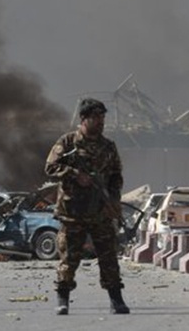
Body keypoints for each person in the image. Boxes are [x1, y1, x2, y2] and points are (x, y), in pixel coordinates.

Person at [45, 98, 129, 315]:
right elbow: (50, 167)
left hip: (100, 211)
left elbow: (116, 176)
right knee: (69, 259)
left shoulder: (108, 147)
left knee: (108, 256)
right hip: (73, 212)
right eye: (96, 117)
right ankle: (63, 299)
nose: (101, 122)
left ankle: (116, 300)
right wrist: (74, 175)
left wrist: (114, 200)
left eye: (102, 118)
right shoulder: (68, 142)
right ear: (84, 119)